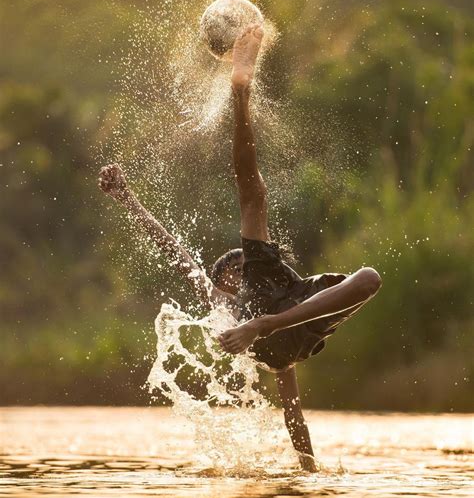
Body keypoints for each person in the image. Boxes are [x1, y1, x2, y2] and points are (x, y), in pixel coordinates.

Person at [99, 24, 381, 472]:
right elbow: (294, 417)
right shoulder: (224, 313)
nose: (230, 271)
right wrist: (309, 471)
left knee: (265, 202)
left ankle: (240, 93)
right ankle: (240, 92)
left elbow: (180, 246)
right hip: (285, 329)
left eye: (234, 266)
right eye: (226, 271)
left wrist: (262, 323)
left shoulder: (253, 287)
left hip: (288, 306)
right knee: (260, 202)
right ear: (223, 281)